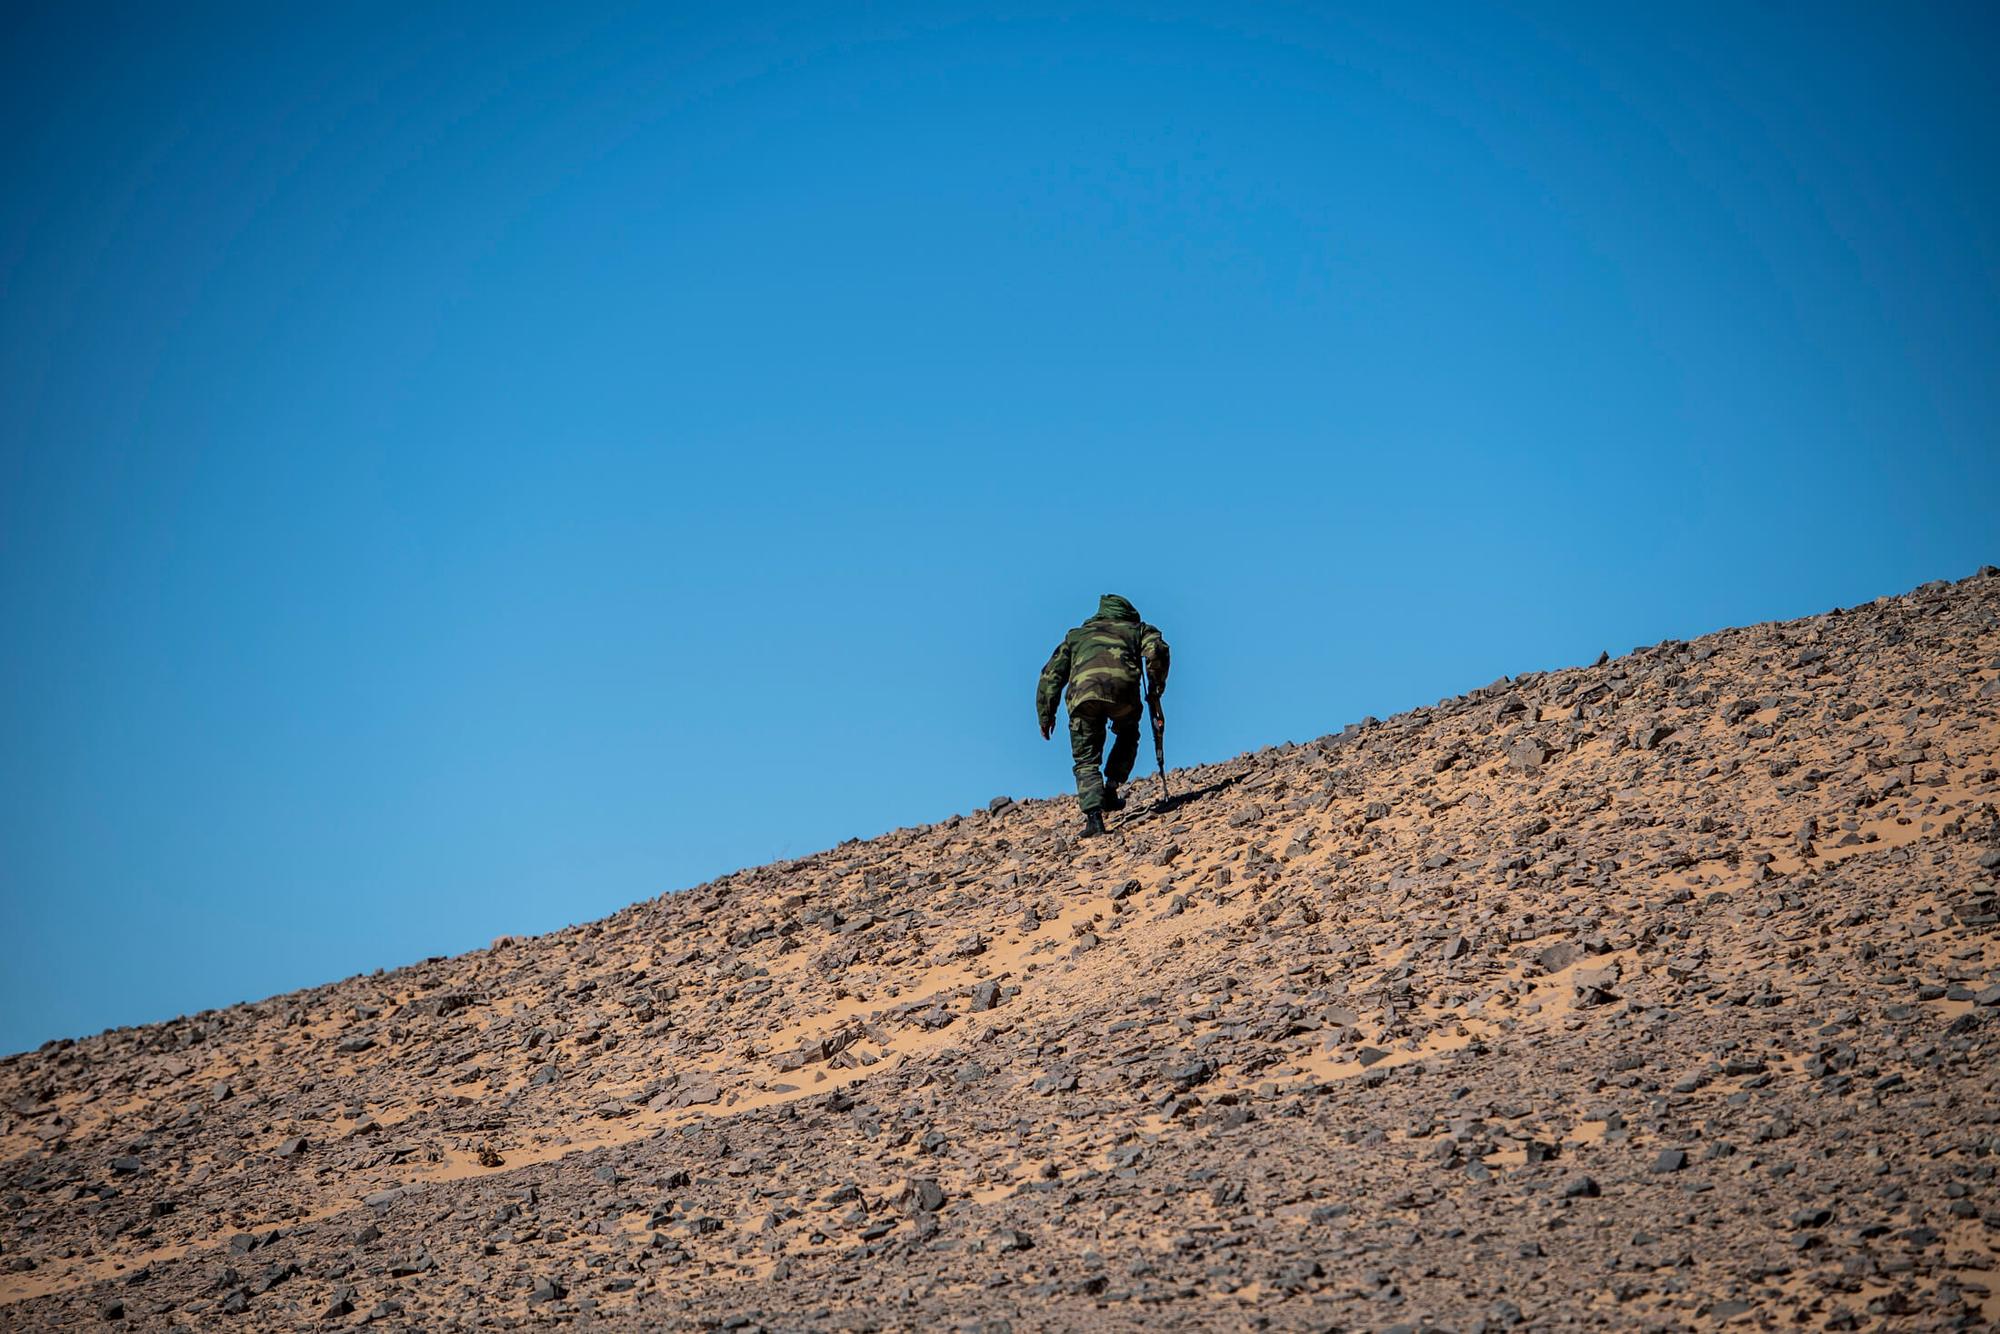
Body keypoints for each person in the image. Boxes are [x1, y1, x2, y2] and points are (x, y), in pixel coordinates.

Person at [1036, 594, 1170, 836]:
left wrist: (1046, 715)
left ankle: (1094, 819)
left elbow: (1051, 676)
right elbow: (1157, 651)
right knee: (1128, 733)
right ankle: (1111, 786)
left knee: (1086, 758)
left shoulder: (1076, 636)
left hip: (1083, 698)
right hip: (1123, 694)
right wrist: (1155, 688)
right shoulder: (1137, 630)